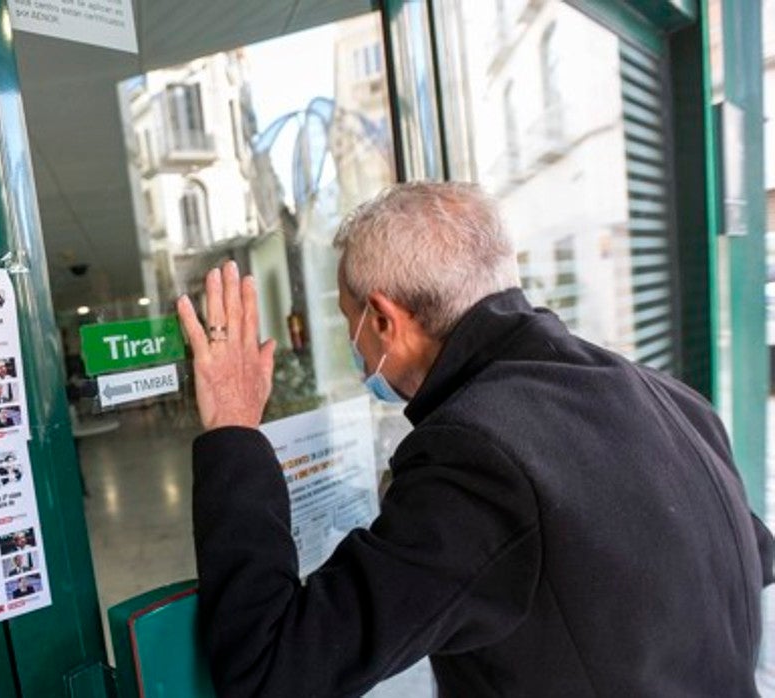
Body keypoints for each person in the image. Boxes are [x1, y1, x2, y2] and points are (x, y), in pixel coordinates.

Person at [175, 182, 775, 697]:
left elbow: (272, 667)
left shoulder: (477, 456)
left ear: (384, 320)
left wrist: (233, 427)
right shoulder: (666, 397)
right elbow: (752, 556)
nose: (354, 346)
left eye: (348, 320)